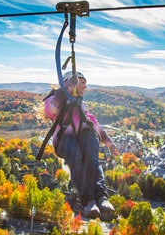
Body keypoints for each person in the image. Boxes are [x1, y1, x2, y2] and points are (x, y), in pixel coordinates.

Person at [39, 71, 120, 217]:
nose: (86, 86)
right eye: (83, 82)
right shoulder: (57, 100)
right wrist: (68, 85)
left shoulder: (81, 105)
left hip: (82, 137)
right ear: (74, 83)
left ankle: (101, 197)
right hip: (65, 139)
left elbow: (94, 124)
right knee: (76, 158)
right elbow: (51, 108)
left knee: (91, 156)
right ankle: (89, 200)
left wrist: (109, 143)